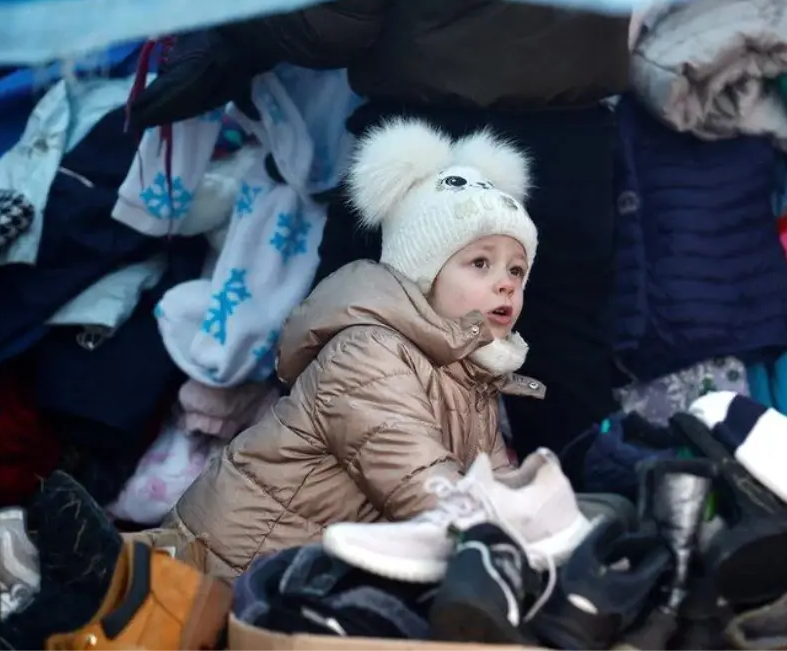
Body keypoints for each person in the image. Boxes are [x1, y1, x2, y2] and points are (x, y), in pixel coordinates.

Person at [128, 0, 627, 459]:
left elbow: (329, 26)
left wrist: (232, 9)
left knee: (344, 379)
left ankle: (358, 540)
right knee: (564, 389)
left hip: (430, 147)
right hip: (574, 144)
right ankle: (593, 530)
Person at [168, 118, 549, 579]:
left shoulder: (469, 378)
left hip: (293, 574)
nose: (505, 285)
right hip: (223, 568)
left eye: (516, 271)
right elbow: (420, 485)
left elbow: (489, 482)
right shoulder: (370, 353)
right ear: (422, 272)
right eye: (480, 263)